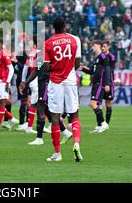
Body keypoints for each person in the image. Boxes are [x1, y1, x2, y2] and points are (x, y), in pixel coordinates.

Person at [40, 17, 83, 162]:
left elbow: (46, 67)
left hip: (55, 82)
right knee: (74, 115)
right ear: (65, 26)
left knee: (55, 117)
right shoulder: (74, 39)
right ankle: (76, 143)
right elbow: (77, 63)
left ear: (54, 28)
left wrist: (56, 67)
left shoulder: (48, 43)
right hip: (70, 80)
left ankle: (57, 153)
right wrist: (68, 69)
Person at [79, 40, 111, 133]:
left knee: (93, 104)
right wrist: (83, 68)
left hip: (99, 84)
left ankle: (104, 124)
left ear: (98, 46)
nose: (92, 48)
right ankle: (100, 125)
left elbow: (108, 69)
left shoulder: (103, 56)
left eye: (93, 46)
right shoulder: (97, 58)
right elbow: (92, 72)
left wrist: (107, 83)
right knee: (97, 105)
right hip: (95, 83)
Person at [20, 39, 39, 134]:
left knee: (38, 103)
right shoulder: (38, 53)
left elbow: (25, 68)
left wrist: (23, 81)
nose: (28, 45)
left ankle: (32, 126)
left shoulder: (30, 54)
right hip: (37, 80)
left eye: (30, 43)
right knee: (37, 104)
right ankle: (30, 127)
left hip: (32, 80)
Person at [102, 40, 116, 126]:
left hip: (109, 82)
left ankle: (106, 124)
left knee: (108, 103)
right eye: (102, 47)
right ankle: (100, 123)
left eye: (104, 46)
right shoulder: (101, 56)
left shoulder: (111, 57)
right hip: (100, 82)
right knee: (97, 102)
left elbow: (110, 70)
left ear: (108, 47)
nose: (103, 48)